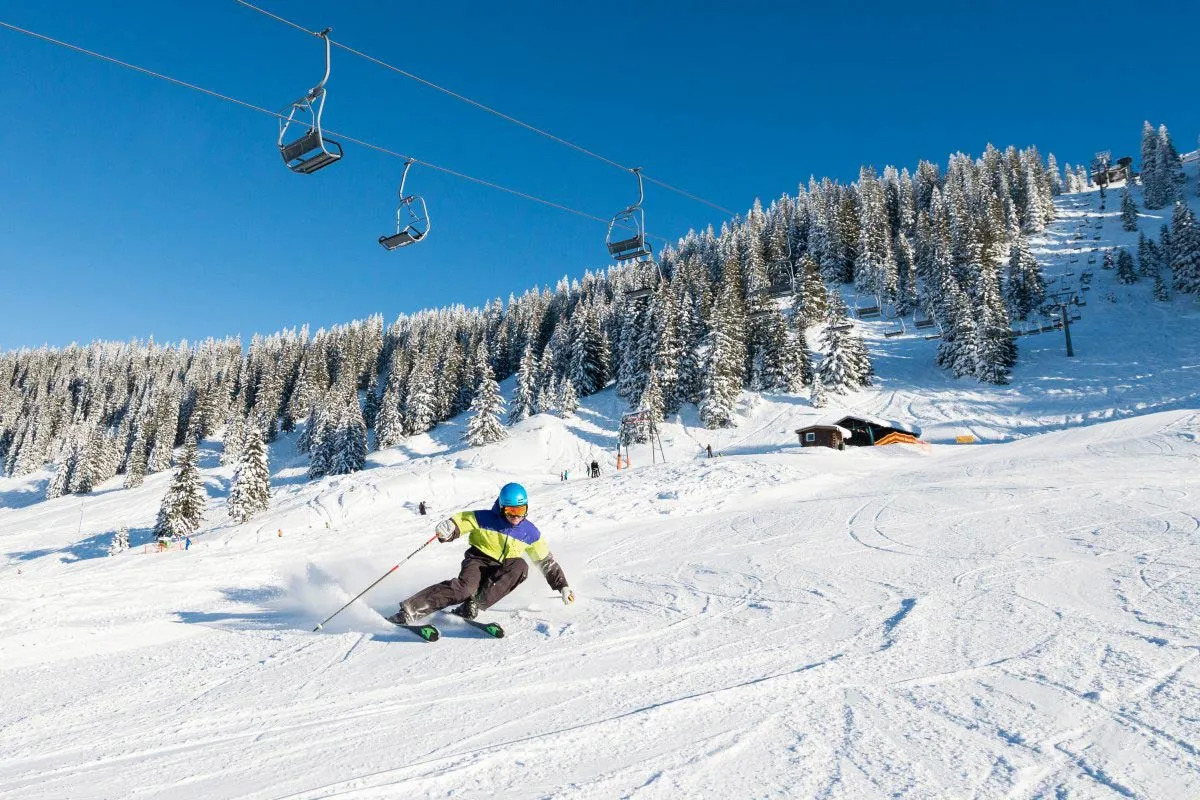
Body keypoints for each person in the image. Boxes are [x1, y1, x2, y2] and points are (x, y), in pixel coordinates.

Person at [388, 482, 575, 623]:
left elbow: (546, 562)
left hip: (503, 568)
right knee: (464, 589)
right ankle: (411, 609)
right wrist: (449, 529)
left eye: (521, 510)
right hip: (478, 560)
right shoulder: (485, 518)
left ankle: (473, 605)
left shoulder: (530, 532)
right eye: (511, 510)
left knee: (521, 566)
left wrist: (562, 586)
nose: (516, 516)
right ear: (502, 507)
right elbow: (462, 521)